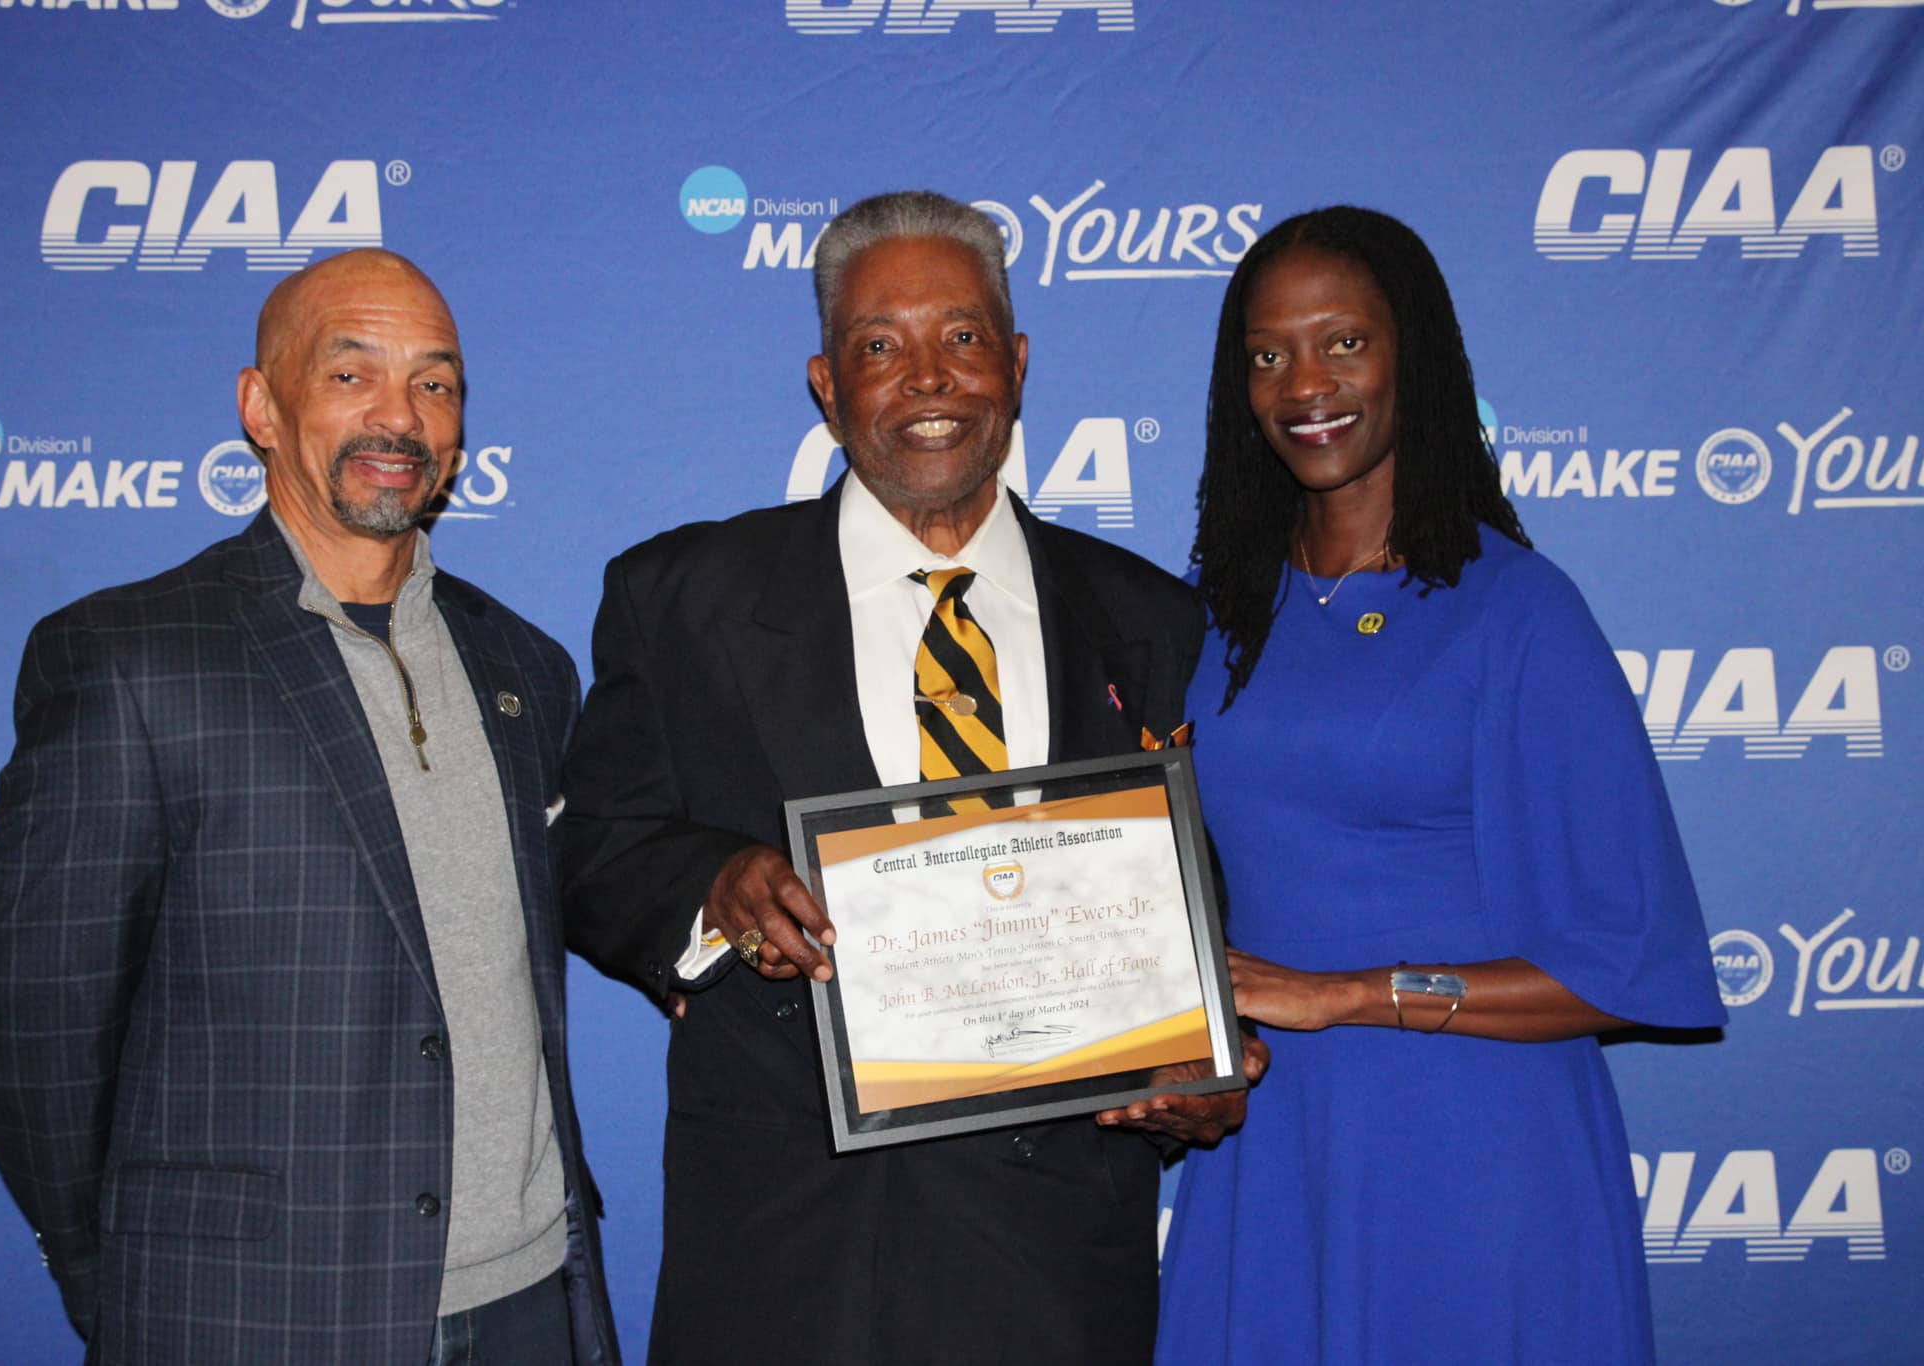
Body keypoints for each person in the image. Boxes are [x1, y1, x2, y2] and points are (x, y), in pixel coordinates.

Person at [562, 190, 1262, 1365]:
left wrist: (1203, 1070)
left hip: (1058, 1270)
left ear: (1018, 364)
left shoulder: (1149, 618)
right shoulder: (680, 597)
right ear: (826, 385)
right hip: (791, 1266)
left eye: (963, 337)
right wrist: (716, 888)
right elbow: (593, 856)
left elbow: (1190, 912)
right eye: (879, 346)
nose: (927, 378)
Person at [0, 249, 618, 1366]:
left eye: (436, 383)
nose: (399, 417)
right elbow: (36, 1019)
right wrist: (108, 1266)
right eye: (351, 375)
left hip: (531, 1299)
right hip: (251, 1314)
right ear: (262, 407)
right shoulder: (130, 657)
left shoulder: (526, 663)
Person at [1152, 205, 1726, 1365]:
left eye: (1342, 342)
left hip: (1473, 1159)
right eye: (1266, 355)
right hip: (1267, 1143)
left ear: (1412, 351)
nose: (1302, 382)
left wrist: (1348, 992)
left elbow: (1626, 959)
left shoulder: (1516, 611)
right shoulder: (1213, 615)